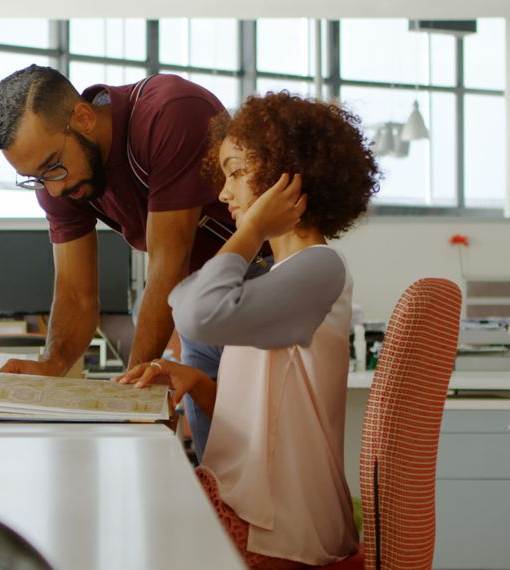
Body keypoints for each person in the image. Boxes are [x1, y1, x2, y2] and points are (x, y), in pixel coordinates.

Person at [116, 91, 380, 568]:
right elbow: (263, 428)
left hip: (285, 533)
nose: (224, 192)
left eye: (237, 171)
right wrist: (196, 384)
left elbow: (195, 311)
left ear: (287, 176)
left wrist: (253, 225)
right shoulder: (286, 279)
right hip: (264, 518)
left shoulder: (320, 269)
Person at [0, 66, 280, 455]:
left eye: (53, 167)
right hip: (195, 302)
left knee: (262, 459)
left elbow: (166, 266)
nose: (54, 190)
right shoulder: (59, 181)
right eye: (36, 179)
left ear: (84, 118)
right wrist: (52, 366)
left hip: (256, 288)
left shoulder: (169, 114)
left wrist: (130, 394)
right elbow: (75, 293)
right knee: (219, 464)